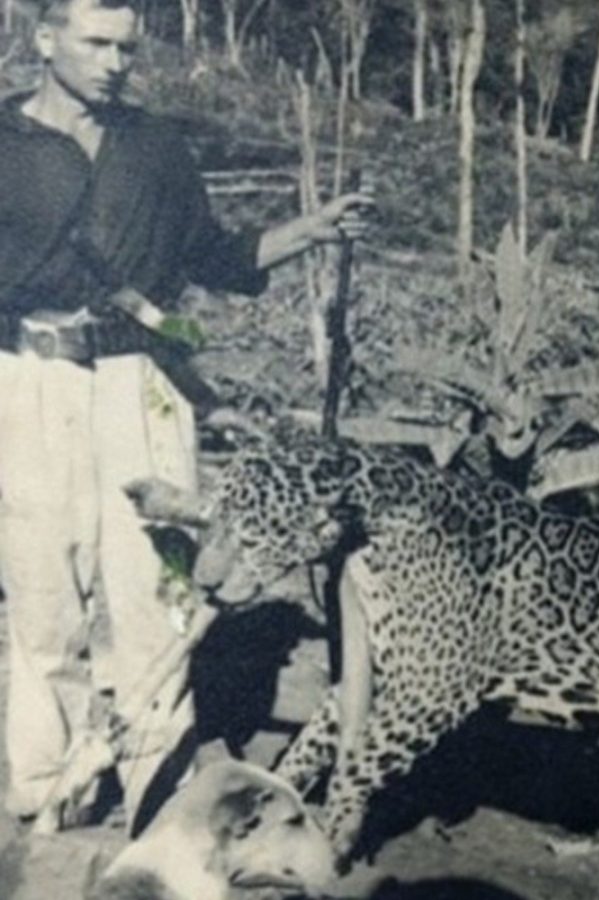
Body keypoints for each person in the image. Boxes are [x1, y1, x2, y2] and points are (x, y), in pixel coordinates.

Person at [0, 0, 367, 830]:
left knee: (154, 584)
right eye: (95, 43)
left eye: (127, 47)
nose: (115, 62)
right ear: (43, 38)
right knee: (41, 590)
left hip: (141, 382)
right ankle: (47, 785)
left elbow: (215, 256)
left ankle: (154, 787)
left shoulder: (157, 149)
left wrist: (308, 230)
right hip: (28, 380)